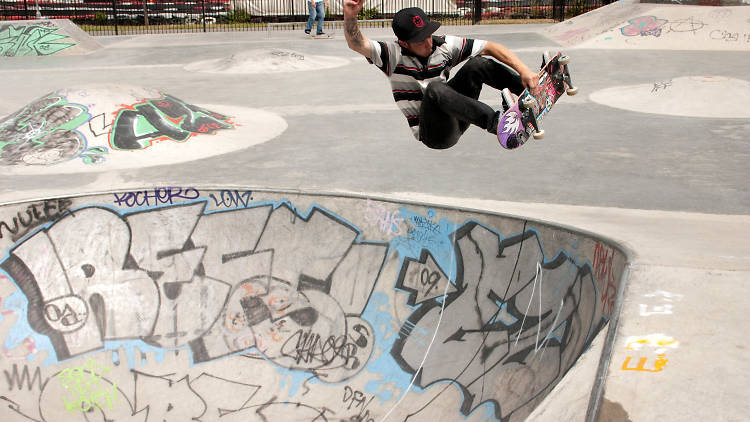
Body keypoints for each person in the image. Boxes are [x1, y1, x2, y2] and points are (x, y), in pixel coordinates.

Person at [342, 2, 540, 149]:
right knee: (435, 89)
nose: (428, 43)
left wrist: (524, 70)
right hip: (436, 134)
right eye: (419, 41)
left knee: (477, 63)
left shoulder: (444, 45)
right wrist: (350, 16)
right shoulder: (391, 55)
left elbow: (490, 47)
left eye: (428, 35)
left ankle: (530, 91)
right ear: (403, 43)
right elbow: (357, 43)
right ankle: (498, 124)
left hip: (459, 116)